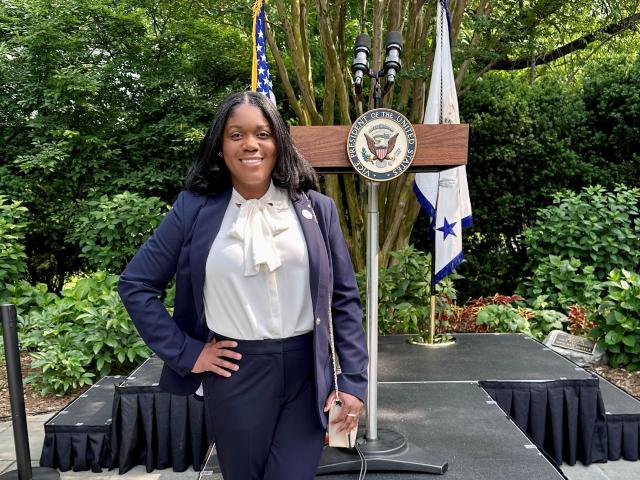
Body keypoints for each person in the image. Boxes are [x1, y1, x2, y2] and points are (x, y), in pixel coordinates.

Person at [118, 91, 368, 480]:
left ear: (279, 143)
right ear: (220, 147)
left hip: (307, 374)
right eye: (236, 135)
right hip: (235, 373)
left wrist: (353, 380)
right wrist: (188, 352)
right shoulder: (193, 209)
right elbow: (136, 284)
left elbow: (345, 300)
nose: (250, 144)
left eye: (262, 134)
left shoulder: (317, 208)